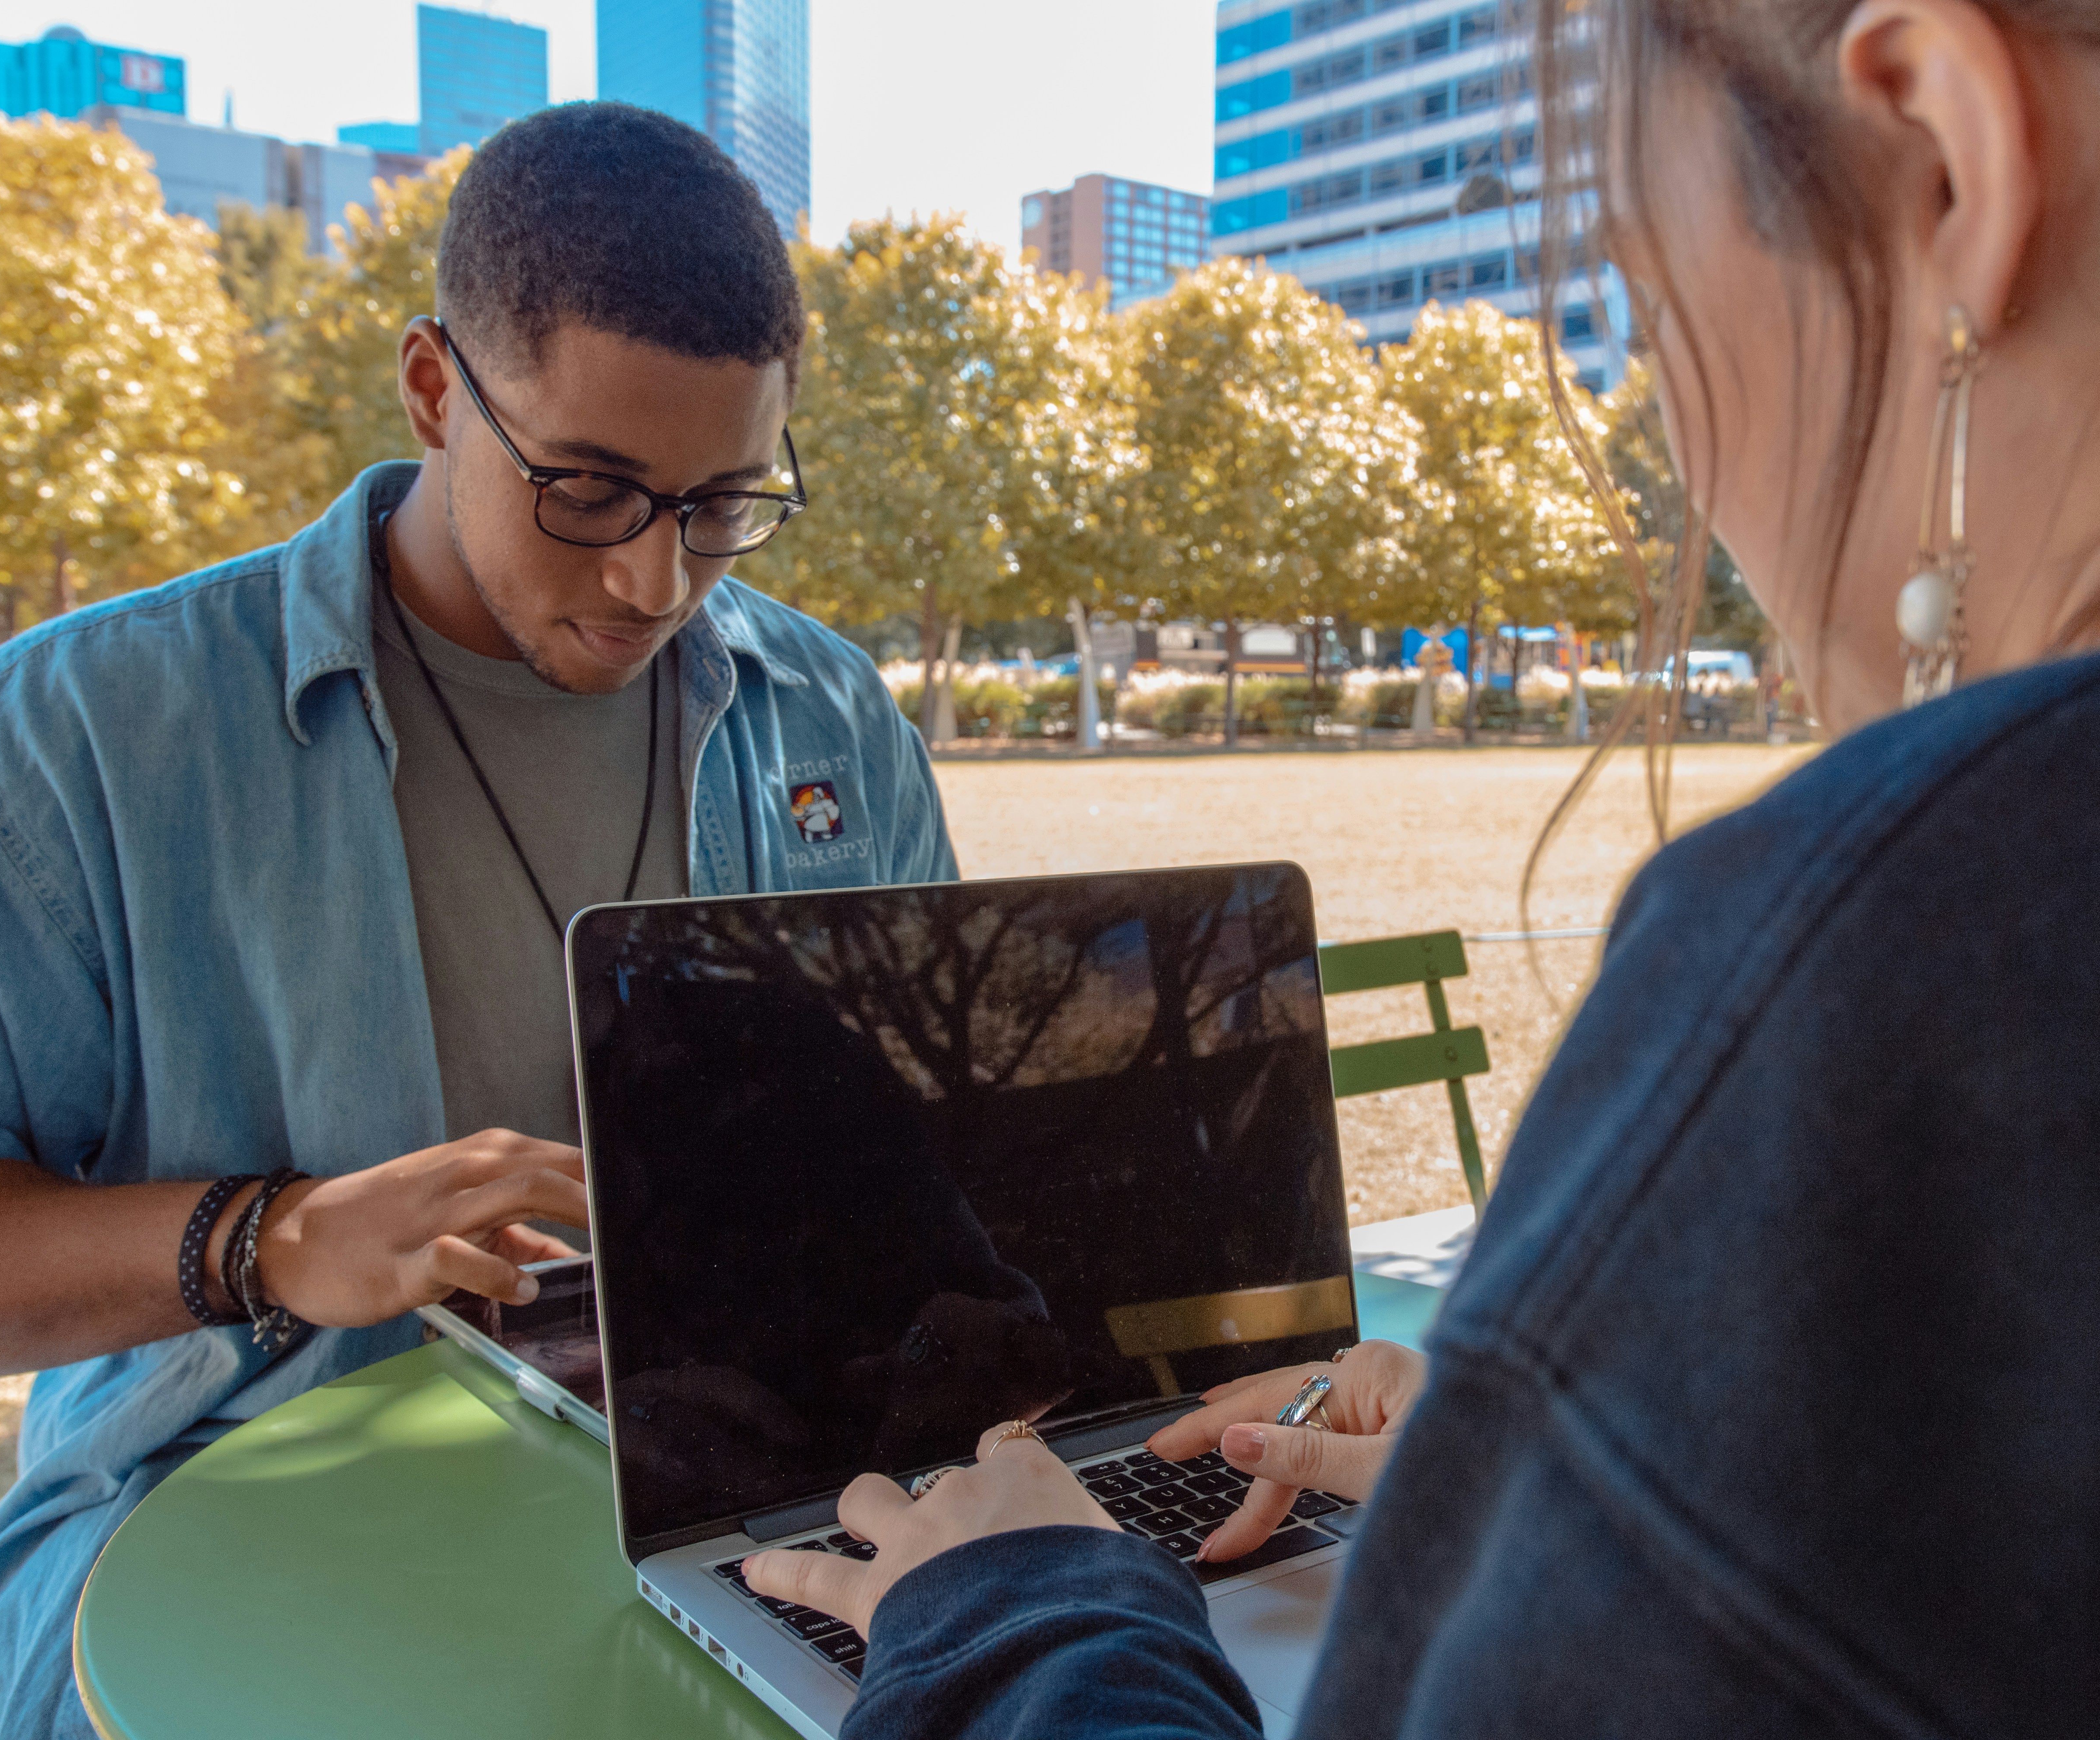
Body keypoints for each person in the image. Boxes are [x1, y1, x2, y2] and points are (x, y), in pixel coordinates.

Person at [742, 1, 2100, 1732]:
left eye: (1638, 296)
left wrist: (1018, 1611)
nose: (1678, 462)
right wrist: (1555, 1472)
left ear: (1941, 152)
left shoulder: (1888, 955)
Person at [0, 104, 954, 1739]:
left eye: (722, 505)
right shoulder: (70, 739)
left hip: (766, 1495)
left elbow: (929, 1145)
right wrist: (271, 1239)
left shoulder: (829, 717)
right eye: (591, 491)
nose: (654, 585)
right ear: (430, 389)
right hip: (211, 1531)